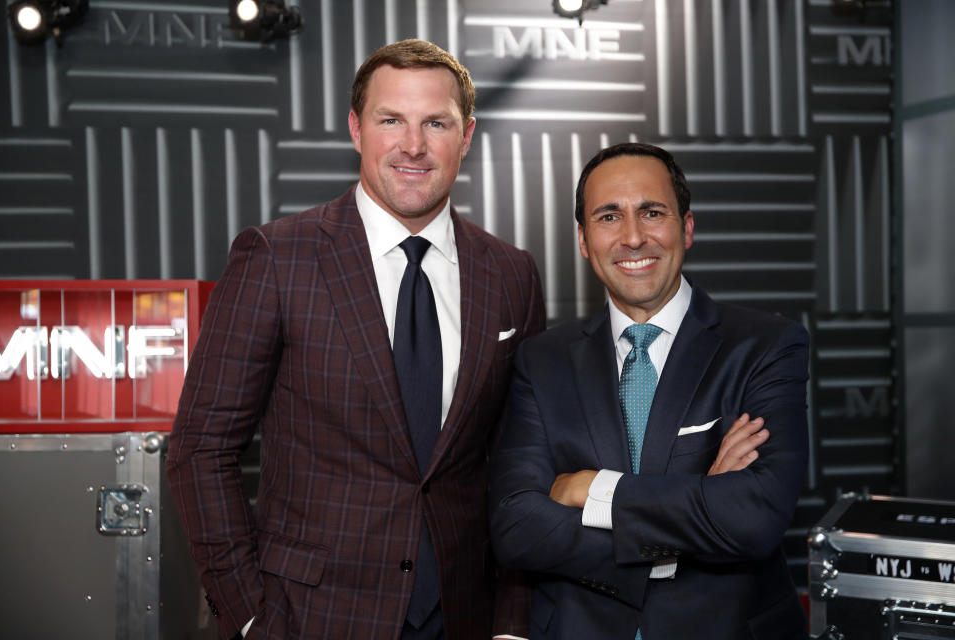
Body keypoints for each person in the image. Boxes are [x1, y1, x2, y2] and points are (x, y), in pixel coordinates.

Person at [167, 39, 545, 640]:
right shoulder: (277, 257)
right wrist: (248, 618)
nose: (413, 145)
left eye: (436, 123)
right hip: (309, 618)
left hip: (465, 617)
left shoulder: (511, 274)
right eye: (390, 119)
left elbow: (520, 463)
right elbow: (200, 450)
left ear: (466, 135)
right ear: (356, 128)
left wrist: (513, 622)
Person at [488, 142, 809, 639]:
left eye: (652, 212)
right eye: (609, 217)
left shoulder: (765, 346)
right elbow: (517, 526)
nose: (633, 237)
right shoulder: (541, 360)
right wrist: (696, 510)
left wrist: (590, 488)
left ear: (686, 227)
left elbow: (754, 517)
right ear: (583, 239)